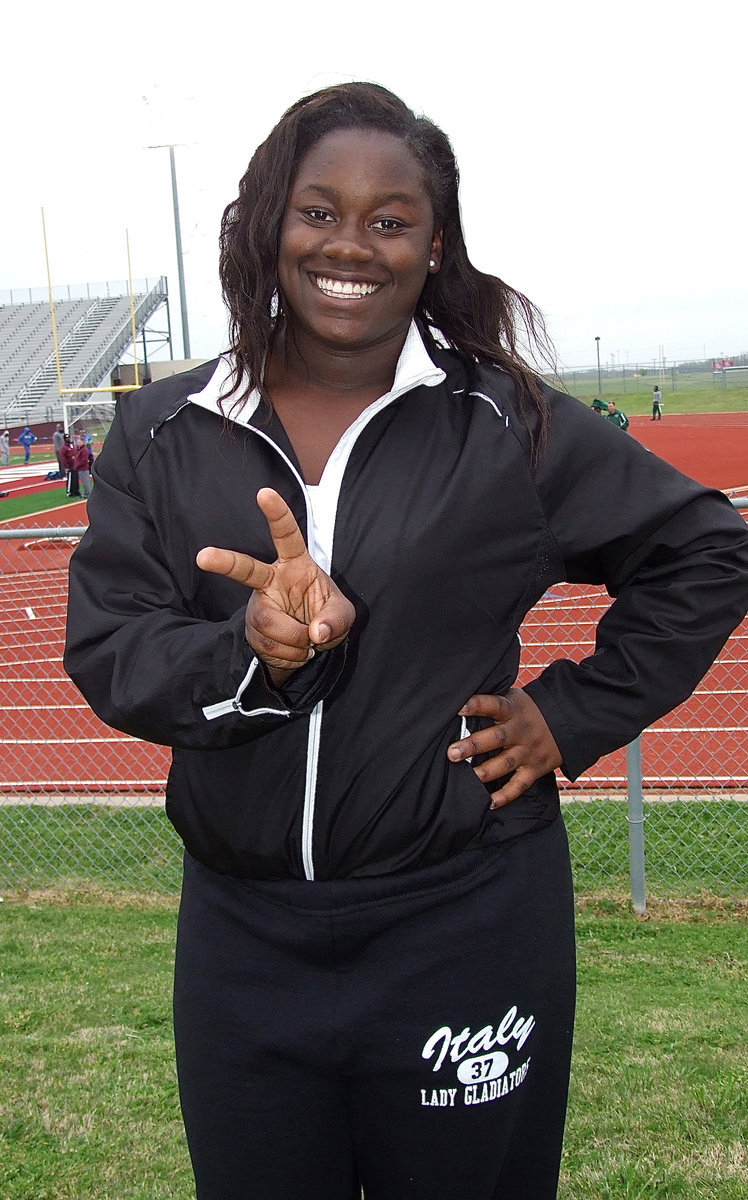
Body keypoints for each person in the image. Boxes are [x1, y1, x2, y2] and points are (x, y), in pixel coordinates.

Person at [63, 83, 748, 1200]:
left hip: (465, 924)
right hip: (243, 938)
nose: (351, 244)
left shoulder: (507, 425)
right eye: (317, 210)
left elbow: (704, 550)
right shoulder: (164, 430)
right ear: (264, 227)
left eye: (391, 220)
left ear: (436, 248)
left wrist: (570, 715)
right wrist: (256, 651)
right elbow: (110, 651)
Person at [72, 432, 94, 498]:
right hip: (80, 468)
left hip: (83, 468)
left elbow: (83, 460)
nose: (77, 444)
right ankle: (86, 492)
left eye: (79, 442)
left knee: (86, 481)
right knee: (84, 482)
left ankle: (88, 493)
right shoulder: (79, 449)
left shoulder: (84, 450)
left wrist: (77, 465)